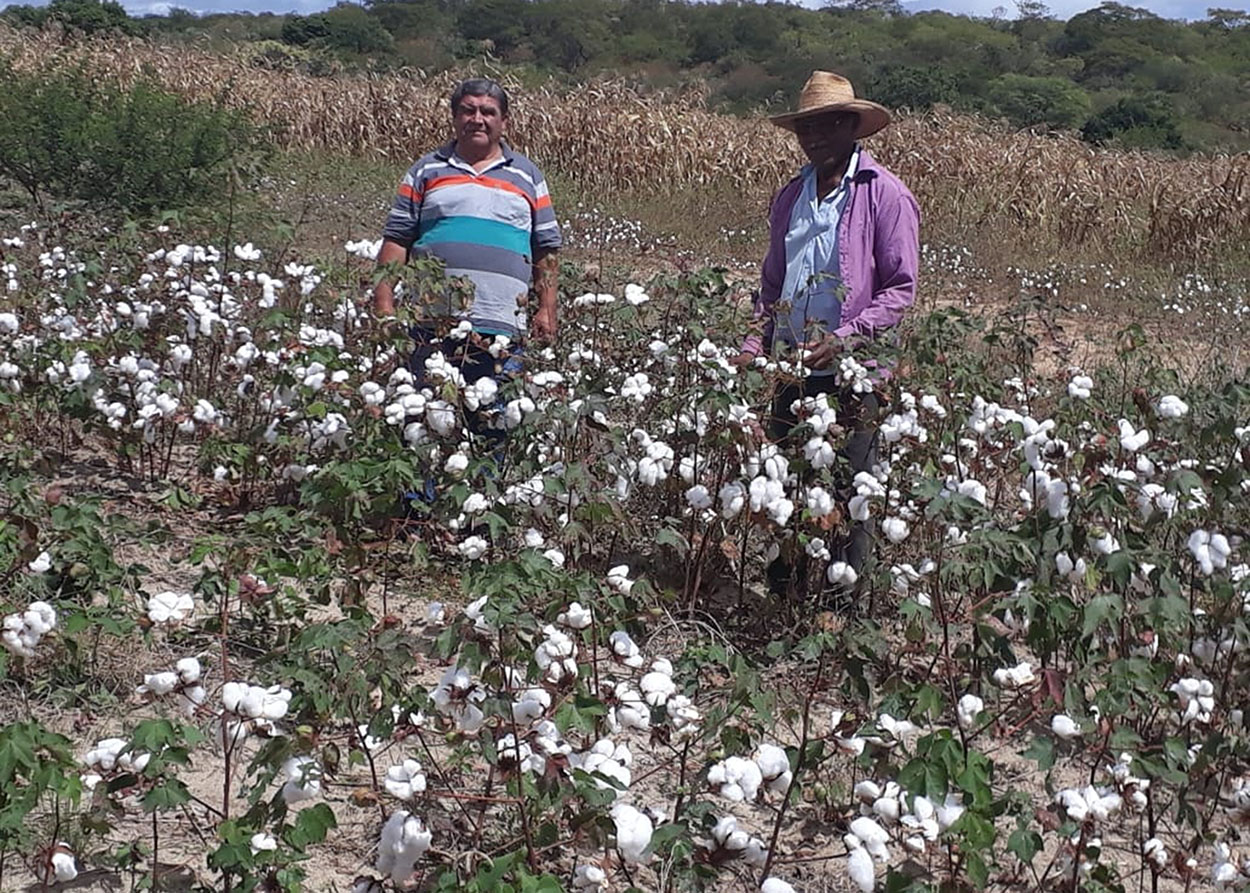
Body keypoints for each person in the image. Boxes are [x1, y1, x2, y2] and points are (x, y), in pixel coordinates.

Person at [734, 70, 920, 601]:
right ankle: (784, 598)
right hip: (790, 367)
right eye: (804, 129)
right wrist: (753, 345)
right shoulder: (791, 195)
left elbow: (900, 290)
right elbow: (773, 283)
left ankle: (842, 610)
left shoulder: (885, 195)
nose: (813, 138)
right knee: (784, 486)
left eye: (824, 126)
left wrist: (846, 337)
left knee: (849, 491)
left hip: (853, 373)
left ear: (849, 127)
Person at [372, 77, 562, 413]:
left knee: (497, 424)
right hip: (433, 324)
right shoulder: (426, 170)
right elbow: (398, 239)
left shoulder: (528, 176)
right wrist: (385, 306)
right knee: (432, 420)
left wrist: (547, 309)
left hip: (503, 328)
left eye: (488, 112)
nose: (478, 119)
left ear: (504, 121)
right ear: (454, 117)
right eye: (468, 111)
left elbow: (545, 247)